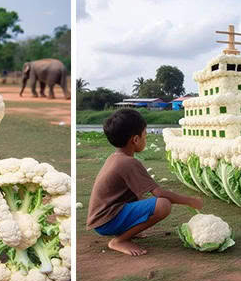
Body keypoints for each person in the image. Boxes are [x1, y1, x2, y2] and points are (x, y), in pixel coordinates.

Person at [87, 108, 204, 256]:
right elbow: (159, 193)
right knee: (163, 204)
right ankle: (119, 241)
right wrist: (190, 201)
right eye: (145, 136)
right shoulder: (128, 162)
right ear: (135, 140)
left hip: (105, 217)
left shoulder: (116, 157)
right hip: (106, 221)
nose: (145, 139)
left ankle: (128, 232)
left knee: (145, 199)